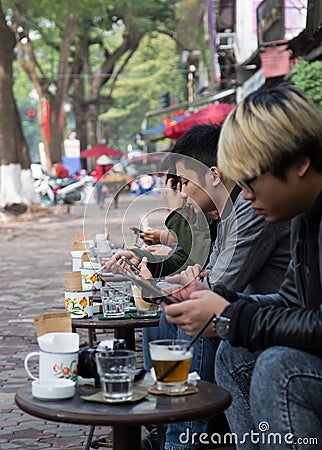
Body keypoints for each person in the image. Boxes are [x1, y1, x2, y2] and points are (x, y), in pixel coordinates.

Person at [163, 86, 322, 449]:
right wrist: (219, 300)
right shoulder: (301, 214)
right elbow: (293, 302)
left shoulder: (263, 212)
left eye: (250, 180)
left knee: (278, 369)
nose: (245, 195)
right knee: (234, 351)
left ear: (299, 162)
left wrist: (231, 315)